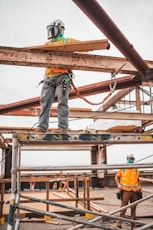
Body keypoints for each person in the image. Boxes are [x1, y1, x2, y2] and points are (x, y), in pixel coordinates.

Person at [34, 19, 78, 133]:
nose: (51, 32)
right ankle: (42, 127)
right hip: (48, 77)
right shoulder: (47, 44)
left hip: (62, 76)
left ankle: (62, 128)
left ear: (60, 29)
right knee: (45, 102)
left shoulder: (68, 42)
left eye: (53, 29)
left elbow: (85, 46)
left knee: (62, 102)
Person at [115, 154, 141, 229]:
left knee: (133, 208)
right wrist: (118, 185)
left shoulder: (136, 169)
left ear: (134, 159)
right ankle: (119, 223)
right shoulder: (122, 168)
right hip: (125, 190)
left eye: (132, 158)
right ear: (127, 159)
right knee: (123, 207)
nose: (130, 159)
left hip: (135, 191)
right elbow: (116, 177)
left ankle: (133, 225)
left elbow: (138, 179)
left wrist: (139, 186)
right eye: (129, 158)